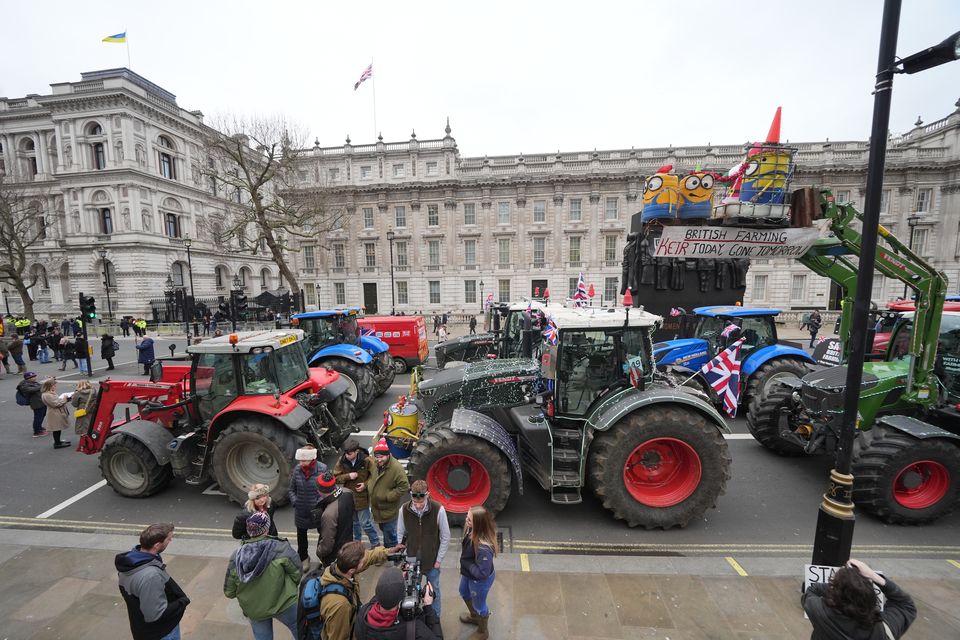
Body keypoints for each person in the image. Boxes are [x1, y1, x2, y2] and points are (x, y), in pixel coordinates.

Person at [224, 512, 302, 640]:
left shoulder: (236, 557)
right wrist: (287, 586)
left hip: (255, 608)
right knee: (298, 629)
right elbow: (297, 573)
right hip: (284, 602)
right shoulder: (281, 548)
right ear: (266, 530)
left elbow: (229, 592)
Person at [802, 558, 916, 640]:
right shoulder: (885, 629)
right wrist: (874, 576)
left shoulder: (817, 610)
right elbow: (906, 605)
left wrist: (839, 584)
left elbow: (812, 590)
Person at [311, 540, 403, 640]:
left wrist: (389, 551)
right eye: (362, 562)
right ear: (352, 570)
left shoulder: (340, 566)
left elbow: (368, 557)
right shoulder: (340, 605)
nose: (365, 561)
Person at [116, 523, 190, 640]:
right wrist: (182, 602)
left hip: (141, 627)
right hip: (162, 633)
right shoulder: (150, 576)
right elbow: (155, 614)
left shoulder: (131, 560)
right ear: (157, 545)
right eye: (169, 539)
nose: (170, 541)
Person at [397, 480, 450, 616]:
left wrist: (438, 561)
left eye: (422, 502)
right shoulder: (403, 510)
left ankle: (435, 619)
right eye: (415, 503)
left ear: (428, 495)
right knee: (411, 592)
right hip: (412, 561)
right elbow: (400, 535)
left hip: (432, 562)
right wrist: (404, 561)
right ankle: (417, 618)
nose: (419, 506)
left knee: (434, 592)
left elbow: (445, 537)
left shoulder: (439, 510)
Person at [354, 567, 443, 640]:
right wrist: (428, 606)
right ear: (401, 601)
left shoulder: (362, 615)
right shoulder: (414, 630)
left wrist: (395, 580)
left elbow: (383, 594)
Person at [458, 505, 497, 639]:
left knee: (480, 606)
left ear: (478, 524)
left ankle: (482, 631)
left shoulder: (484, 548)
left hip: (479, 580)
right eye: (467, 517)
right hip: (469, 574)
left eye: (469, 519)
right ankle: (475, 617)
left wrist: (467, 565)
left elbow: (483, 573)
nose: (466, 521)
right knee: (463, 592)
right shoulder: (471, 529)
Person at [333, 437, 380, 547]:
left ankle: (375, 543)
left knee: (366, 523)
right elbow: (335, 477)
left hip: (362, 497)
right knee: (354, 523)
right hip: (348, 497)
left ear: (357, 451)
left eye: (350, 453)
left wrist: (365, 485)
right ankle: (356, 544)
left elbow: (375, 476)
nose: (347, 456)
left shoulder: (367, 460)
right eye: (346, 453)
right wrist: (348, 476)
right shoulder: (342, 461)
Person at [288, 444, 328, 569]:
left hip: (317, 511)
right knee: (301, 538)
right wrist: (296, 501)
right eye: (300, 460)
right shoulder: (297, 469)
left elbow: (327, 490)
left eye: (303, 460)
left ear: (312, 459)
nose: (300, 463)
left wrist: (318, 504)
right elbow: (291, 490)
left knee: (323, 535)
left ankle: (322, 557)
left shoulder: (322, 469)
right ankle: (304, 558)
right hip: (301, 511)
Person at [367, 438, 409, 548]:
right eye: (377, 456)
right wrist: (367, 485)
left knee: (390, 536)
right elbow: (372, 478)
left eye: (381, 457)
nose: (379, 459)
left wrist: (388, 496)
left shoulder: (396, 468)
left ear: (388, 455)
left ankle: (393, 557)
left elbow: (404, 486)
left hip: (389, 510)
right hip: (378, 509)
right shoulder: (375, 464)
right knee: (385, 531)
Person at [313, 470, 356, 567]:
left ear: (320, 491)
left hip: (335, 555)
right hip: (347, 543)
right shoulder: (347, 492)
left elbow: (327, 545)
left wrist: (319, 552)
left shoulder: (328, 514)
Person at [41, 377, 72, 449]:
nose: (55, 387)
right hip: (54, 413)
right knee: (56, 428)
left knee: (58, 428)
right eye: (54, 385)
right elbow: (55, 404)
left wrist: (66, 399)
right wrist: (64, 399)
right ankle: (57, 443)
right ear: (49, 386)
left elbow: (57, 402)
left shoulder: (49, 393)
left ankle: (58, 441)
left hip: (57, 412)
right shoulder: (47, 395)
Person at [17, 371, 47, 437]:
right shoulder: (23, 385)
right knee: (38, 417)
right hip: (36, 403)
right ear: (28, 378)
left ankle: (39, 427)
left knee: (42, 415)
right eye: (33, 377)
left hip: (41, 401)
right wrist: (42, 386)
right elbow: (31, 390)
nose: (35, 377)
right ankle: (37, 432)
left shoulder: (33, 382)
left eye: (34, 376)